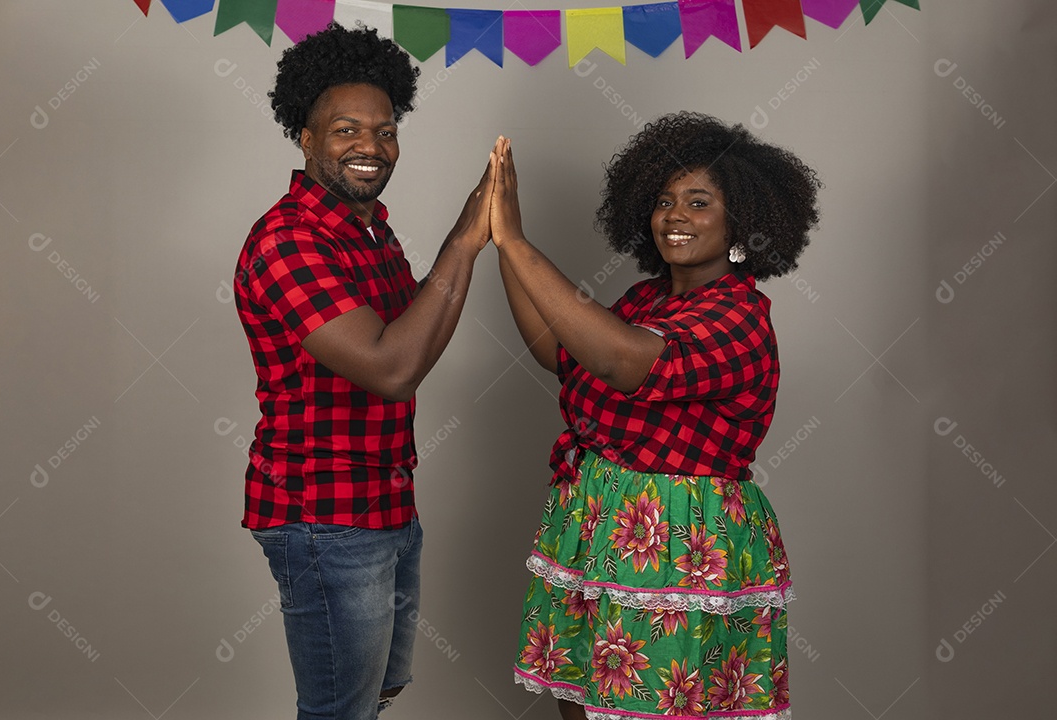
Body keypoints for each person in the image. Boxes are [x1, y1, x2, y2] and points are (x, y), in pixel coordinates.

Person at [490, 114, 820, 719]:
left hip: (678, 538)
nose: (675, 215)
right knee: (583, 697)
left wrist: (517, 243)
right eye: (664, 201)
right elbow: (559, 351)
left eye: (699, 202)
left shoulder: (739, 318)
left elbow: (621, 361)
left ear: (741, 219)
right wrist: (501, 243)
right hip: (597, 515)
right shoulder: (647, 299)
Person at [232, 23, 493, 720]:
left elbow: (417, 330)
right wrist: (466, 243)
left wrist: (477, 239)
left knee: (375, 694)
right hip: (323, 515)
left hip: (384, 500)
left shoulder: (369, 230)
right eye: (346, 129)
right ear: (306, 138)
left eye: (385, 131)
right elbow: (392, 367)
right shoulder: (288, 240)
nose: (370, 147)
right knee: (340, 710)